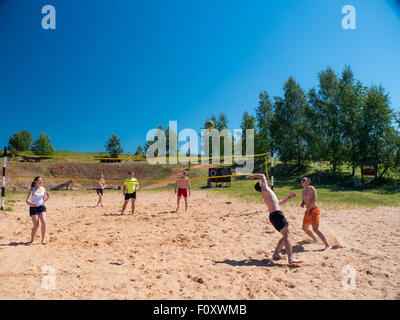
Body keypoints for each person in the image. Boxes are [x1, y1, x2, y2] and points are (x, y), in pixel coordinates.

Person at [246, 173, 302, 264]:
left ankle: (276, 253)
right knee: (287, 235)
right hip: (276, 214)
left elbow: (278, 203)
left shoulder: (267, 193)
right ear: (261, 185)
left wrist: (289, 197)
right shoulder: (265, 189)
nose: (263, 182)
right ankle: (290, 258)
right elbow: (262, 175)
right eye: (261, 182)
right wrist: (251, 176)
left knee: (286, 235)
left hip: (274, 215)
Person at [300, 177, 331, 250]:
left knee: (315, 229)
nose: (302, 181)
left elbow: (314, 199)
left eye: (304, 180)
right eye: (301, 180)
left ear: (308, 182)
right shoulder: (303, 190)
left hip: (314, 210)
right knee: (304, 228)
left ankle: (327, 245)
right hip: (308, 210)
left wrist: (308, 209)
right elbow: (305, 199)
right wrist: (302, 203)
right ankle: (315, 239)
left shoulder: (311, 188)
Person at [25, 176, 49, 244]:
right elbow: (27, 201)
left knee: (44, 222)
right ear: (35, 181)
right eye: (39, 180)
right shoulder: (32, 189)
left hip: (41, 207)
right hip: (33, 208)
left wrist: (48, 197)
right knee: (36, 225)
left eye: (41, 180)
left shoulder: (43, 189)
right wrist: (32, 204)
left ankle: (43, 239)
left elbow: (43, 200)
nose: (40, 181)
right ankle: (32, 240)